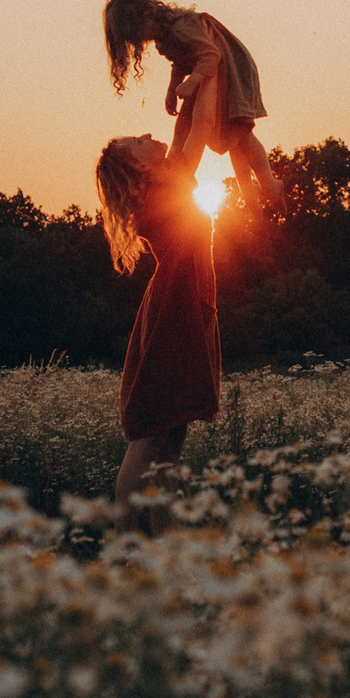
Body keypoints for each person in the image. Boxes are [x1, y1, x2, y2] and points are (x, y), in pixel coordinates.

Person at [95, 133, 222, 533]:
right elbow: (196, 122)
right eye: (138, 140)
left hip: (184, 306)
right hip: (175, 312)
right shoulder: (166, 190)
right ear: (139, 168)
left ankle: (167, 542)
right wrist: (204, 71)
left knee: (171, 437)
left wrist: (193, 80)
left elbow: (188, 123)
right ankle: (126, 542)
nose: (150, 135)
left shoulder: (164, 187)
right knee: (152, 434)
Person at [101, 0, 285, 211]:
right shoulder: (164, 39)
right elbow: (180, 62)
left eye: (137, 32)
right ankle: (251, 195)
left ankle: (269, 183)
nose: (141, 40)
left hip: (230, 67)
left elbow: (210, 55)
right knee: (232, 136)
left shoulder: (180, 29)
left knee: (241, 133)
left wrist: (193, 81)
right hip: (211, 68)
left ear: (149, 14)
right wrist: (174, 88)